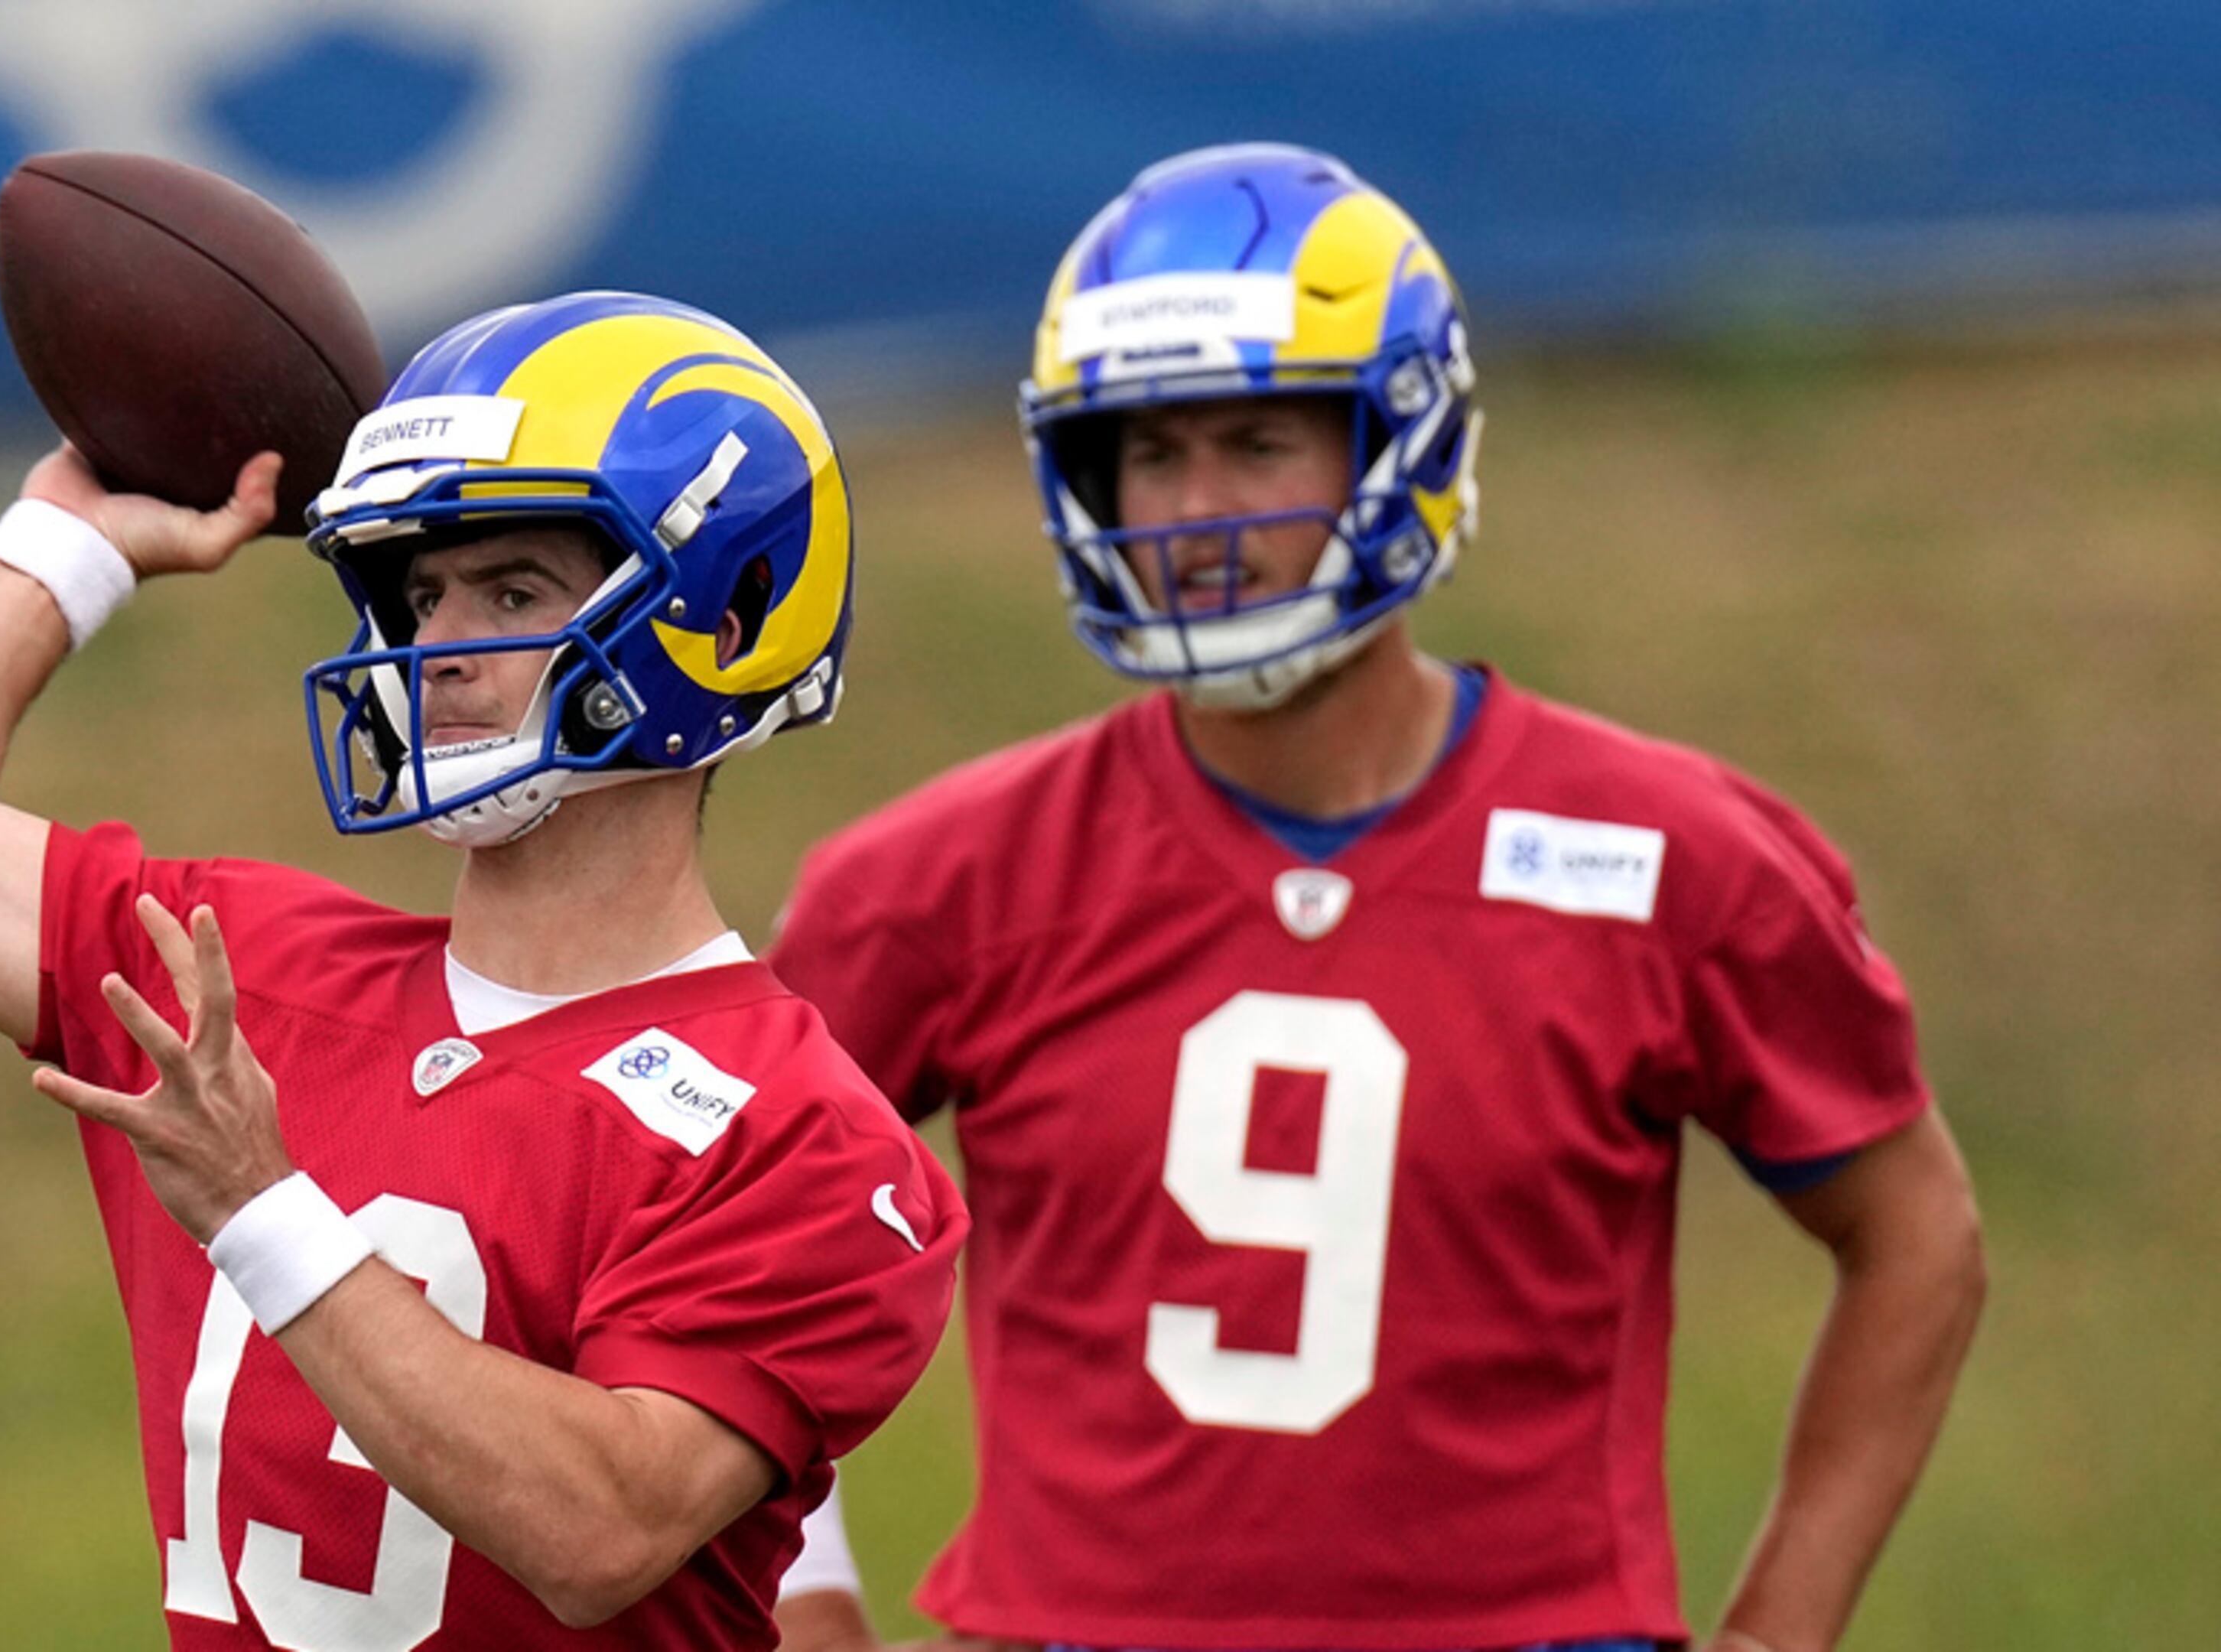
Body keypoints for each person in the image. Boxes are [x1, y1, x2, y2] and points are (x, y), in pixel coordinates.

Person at [765, 146, 1985, 1652]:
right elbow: (723, 1262)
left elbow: (1914, 1230)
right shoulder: (937, 883)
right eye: (1150, 454)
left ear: (1405, 440)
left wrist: (1782, 1626)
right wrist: (805, 1605)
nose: (1196, 514)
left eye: (1261, 442)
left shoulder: (1669, 858)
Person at [0, 289, 964, 1650]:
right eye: (420, 596)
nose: (437, 652)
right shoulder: (242, 973)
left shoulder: (804, 1137)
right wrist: (68, 545)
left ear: (719, 617)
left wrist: (263, 1207)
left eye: (512, 591)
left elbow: (599, 1529)